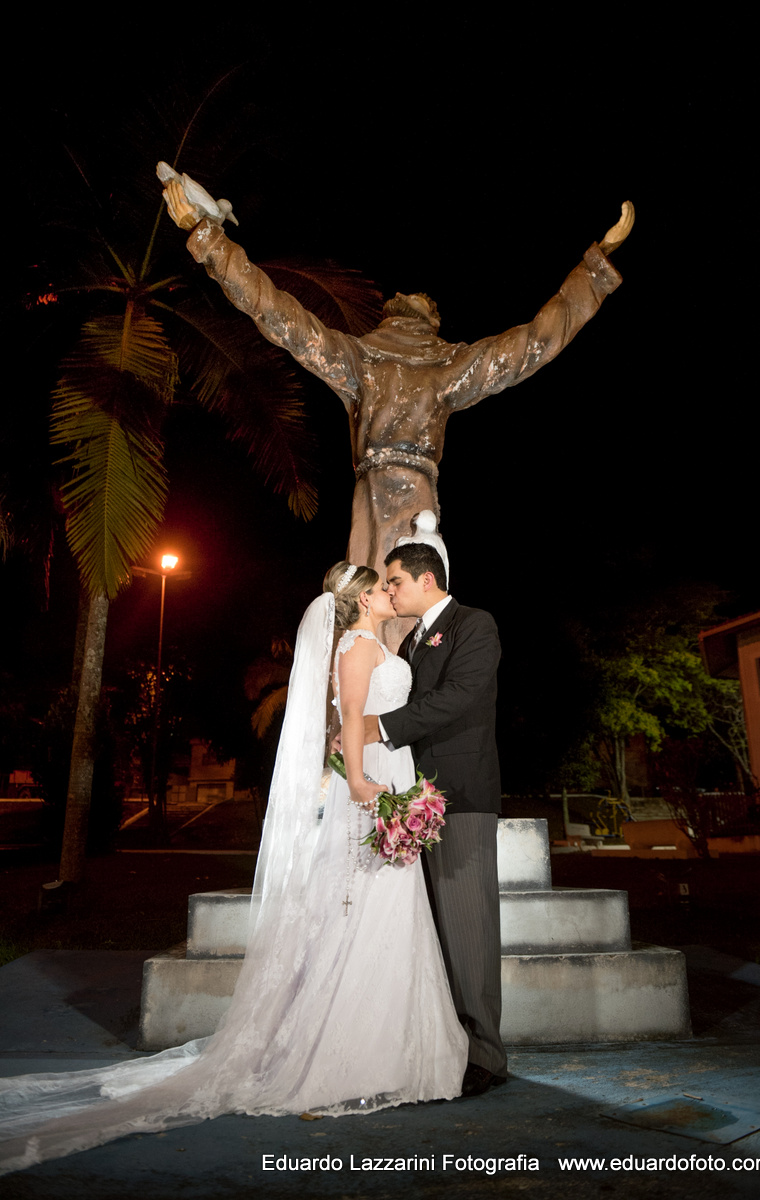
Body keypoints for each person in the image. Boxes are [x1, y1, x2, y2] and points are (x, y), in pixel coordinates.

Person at [0, 564, 467, 1176]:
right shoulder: (356, 647)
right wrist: (359, 783)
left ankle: (401, 1052)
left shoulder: (382, 644)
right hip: (370, 788)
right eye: (381, 588)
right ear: (358, 602)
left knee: (392, 913)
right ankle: (351, 1055)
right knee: (363, 912)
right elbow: (349, 718)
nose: (389, 593)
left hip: (394, 775)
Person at [162, 176, 633, 582]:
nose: (415, 294)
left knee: (395, 601)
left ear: (432, 320)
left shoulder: (444, 364)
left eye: (426, 299)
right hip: (383, 493)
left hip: (407, 497)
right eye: (411, 294)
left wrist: (597, 266)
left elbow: (534, 343)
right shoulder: (365, 357)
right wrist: (209, 239)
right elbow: (277, 313)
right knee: (380, 604)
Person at [365, 540, 505, 1097]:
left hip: (460, 794)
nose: (390, 591)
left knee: (468, 927)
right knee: (435, 931)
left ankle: (487, 1056)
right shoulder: (412, 638)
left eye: (394, 580)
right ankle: (446, 1044)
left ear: (427, 579)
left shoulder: (475, 624)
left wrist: (379, 727)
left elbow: (461, 696)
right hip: (413, 798)